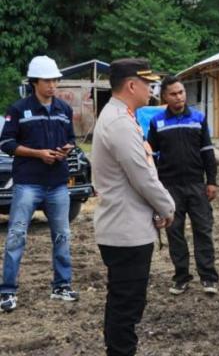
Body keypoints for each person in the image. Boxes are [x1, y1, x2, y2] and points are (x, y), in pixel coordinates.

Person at [92, 58, 175, 356]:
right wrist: (167, 207)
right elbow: (142, 177)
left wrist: (156, 209)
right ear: (131, 85)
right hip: (125, 231)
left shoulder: (123, 117)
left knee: (126, 303)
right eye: (148, 82)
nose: (153, 88)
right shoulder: (119, 123)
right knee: (126, 306)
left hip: (129, 224)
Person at [0, 55, 78, 312]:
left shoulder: (64, 110)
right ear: (35, 82)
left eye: (55, 80)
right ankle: (8, 291)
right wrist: (38, 154)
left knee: (62, 236)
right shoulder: (18, 109)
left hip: (57, 183)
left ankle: (62, 286)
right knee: (16, 236)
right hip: (28, 184)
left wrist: (66, 149)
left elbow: (71, 139)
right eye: (47, 80)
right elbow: (6, 143)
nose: (53, 85)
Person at [147, 75, 219, 296]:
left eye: (181, 92)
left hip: (197, 185)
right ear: (164, 97)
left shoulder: (198, 118)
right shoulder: (157, 122)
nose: (179, 97)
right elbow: (150, 155)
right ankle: (181, 277)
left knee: (203, 231)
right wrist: (155, 187)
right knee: (174, 232)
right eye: (174, 94)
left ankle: (208, 277)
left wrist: (212, 181)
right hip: (170, 188)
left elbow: (207, 152)